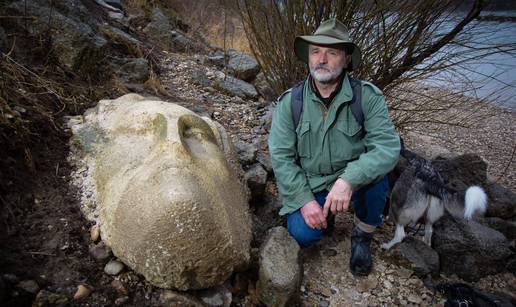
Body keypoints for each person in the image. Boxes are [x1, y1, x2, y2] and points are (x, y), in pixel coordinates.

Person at [268, 18, 400, 276]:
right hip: (313, 182)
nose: (322, 59)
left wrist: (348, 180)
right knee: (302, 235)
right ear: (308, 57)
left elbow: (386, 147)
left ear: (347, 59)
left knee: (378, 180)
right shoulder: (290, 102)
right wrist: (305, 201)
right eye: (316, 51)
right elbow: (281, 157)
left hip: (354, 181)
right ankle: (323, 216)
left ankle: (362, 236)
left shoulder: (367, 97)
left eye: (332, 52)